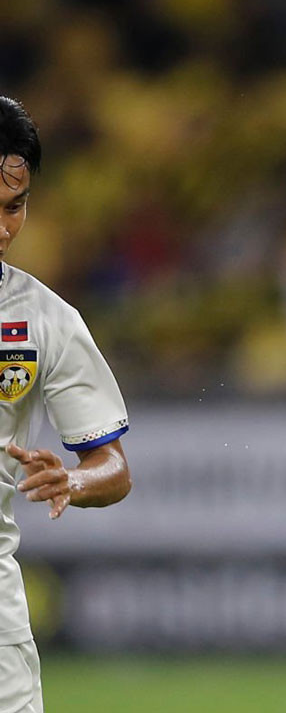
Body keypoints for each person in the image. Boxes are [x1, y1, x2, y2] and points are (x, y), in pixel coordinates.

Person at [0, 97, 133, 712]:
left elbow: (114, 467)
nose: (4, 229)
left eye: (14, 207)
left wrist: (72, 481)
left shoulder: (44, 319)